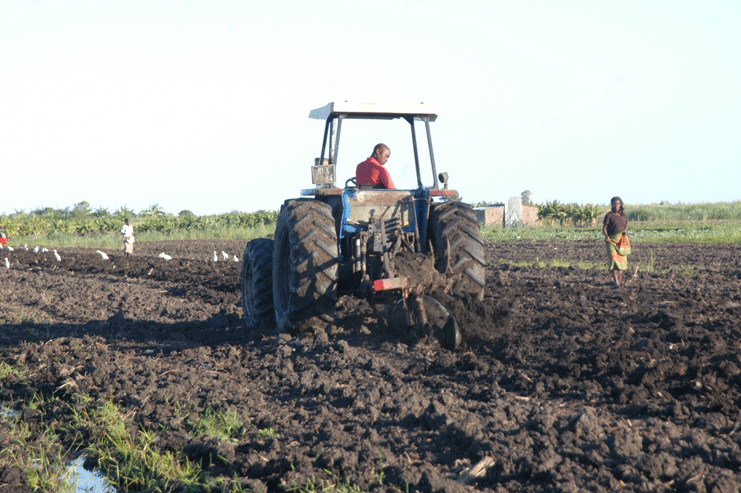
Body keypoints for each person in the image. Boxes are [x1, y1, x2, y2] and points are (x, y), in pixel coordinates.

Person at [602, 196, 629, 288]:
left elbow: (626, 225)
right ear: (612, 205)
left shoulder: (623, 215)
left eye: (618, 204)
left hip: (621, 241)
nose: (616, 205)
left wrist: (625, 231)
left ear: (620, 204)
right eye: (614, 204)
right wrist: (607, 236)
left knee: (621, 262)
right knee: (614, 261)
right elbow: (604, 228)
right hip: (611, 241)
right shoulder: (609, 215)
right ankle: (615, 282)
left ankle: (620, 282)